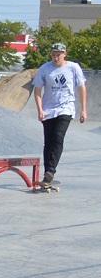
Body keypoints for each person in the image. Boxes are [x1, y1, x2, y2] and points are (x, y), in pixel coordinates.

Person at [32, 42, 87, 192]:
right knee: (48, 142)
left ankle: (51, 171)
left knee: (58, 136)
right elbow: (37, 90)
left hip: (66, 108)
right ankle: (47, 174)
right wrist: (40, 110)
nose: (56, 58)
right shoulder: (45, 68)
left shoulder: (73, 67)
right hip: (49, 109)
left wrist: (84, 110)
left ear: (65, 54)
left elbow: (81, 87)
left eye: (58, 55)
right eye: (53, 55)